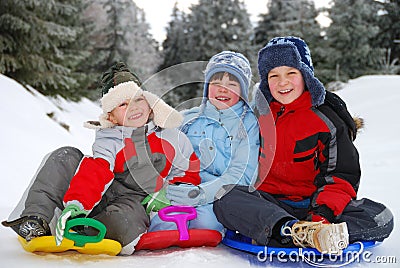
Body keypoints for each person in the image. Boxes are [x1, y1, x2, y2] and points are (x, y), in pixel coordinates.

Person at [213, 36, 394, 254]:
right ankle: (290, 230)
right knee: (225, 196)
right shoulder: (257, 116)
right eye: (273, 75)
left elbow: (340, 177)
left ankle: (313, 233)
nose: (282, 82)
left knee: (380, 216)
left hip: (316, 204)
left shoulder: (328, 119)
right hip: (269, 204)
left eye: (291, 73)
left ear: (305, 74)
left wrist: (321, 217)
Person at [2, 62, 201, 255]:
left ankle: (84, 230)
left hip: (135, 201)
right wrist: (77, 204)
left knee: (122, 223)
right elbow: (97, 171)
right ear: (112, 117)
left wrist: (167, 194)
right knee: (65, 156)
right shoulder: (110, 138)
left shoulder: (172, 138)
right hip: (98, 194)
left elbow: (189, 173)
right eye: (123, 104)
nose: (133, 107)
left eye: (138, 100)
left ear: (150, 105)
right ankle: (37, 219)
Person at [148, 51, 260, 234]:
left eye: (232, 84)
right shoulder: (188, 118)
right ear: (207, 87)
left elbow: (242, 174)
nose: (223, 89)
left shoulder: (248, 126)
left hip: (218, 196)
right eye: (216, 83)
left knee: (205, 224)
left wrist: (201, 194)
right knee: (163, 222)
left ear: (242, 91)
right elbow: (162, 148)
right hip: (181, 186)